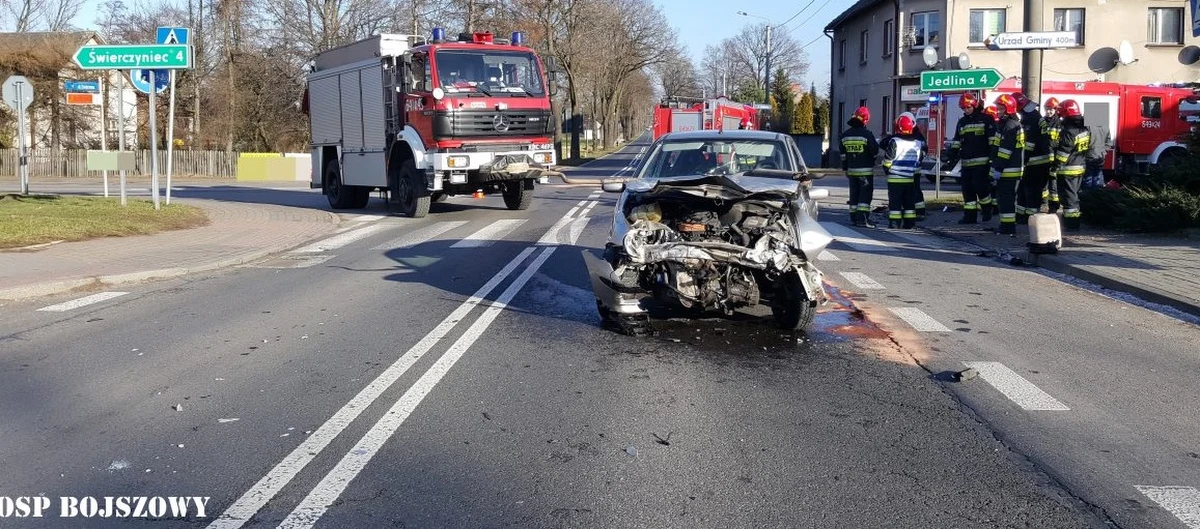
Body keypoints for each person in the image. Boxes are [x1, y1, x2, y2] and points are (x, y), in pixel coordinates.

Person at [944, 93, 995, 224]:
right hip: (966, 163)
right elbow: (957, 141)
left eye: (968, 107)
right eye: (964, 108)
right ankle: (970, 217)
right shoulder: (962, 122)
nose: (966, 110)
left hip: (982, 162)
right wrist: (950, 155)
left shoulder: (986, 119)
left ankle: (987, 210)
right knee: (967, 191)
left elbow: (992, 142)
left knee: (981, 188)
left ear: (974, 105)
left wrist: (992, 160)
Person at [881, 113, 925, 229]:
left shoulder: (894, 141)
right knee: (909, 203)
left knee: (895, 203)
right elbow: (919, 160)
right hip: (910, 178)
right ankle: (909, 224)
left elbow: (888, 160)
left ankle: (895, 223)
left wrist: (886, 170)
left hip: (895, 179)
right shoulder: (918, 143)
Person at [1052, 99, 1090, 231]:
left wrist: (1055, 165)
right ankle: (1072, 221)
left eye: (1061, 112)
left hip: (1068, 169)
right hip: (1079, 166)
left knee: (1069, 197)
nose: (1060, 115)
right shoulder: (1084, 127)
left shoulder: (1070, 130)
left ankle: (1071, 223)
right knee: (1073, 195)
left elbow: (1064, 151)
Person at [1013, 92, 1050, 225]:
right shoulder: (1031, 116)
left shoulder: (1031, 118)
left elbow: (1029, 143)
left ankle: (1031, 218)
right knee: (1023, 189)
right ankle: (1021, 215)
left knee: (1032, 191)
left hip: (1036, 162)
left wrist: (1023, 159)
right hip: (1035, 161)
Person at [840, 106, 881, 227]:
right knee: (865, 195)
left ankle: (853, 218)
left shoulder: (845, 135)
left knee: (854, 195)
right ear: (865, 119)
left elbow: (843, 155)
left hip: (851, 171)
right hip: (865, 172)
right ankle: (862, 219)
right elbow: (874, 151)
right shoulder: (867, 134)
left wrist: (845, 168)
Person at [990, 94, 1025, 235]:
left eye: (1000, 109)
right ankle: (1006, 225)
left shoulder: (1010, 125)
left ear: (1008, 109)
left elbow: (1005, 150)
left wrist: (998, 168)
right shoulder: (1008, 124)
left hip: (1009, 169)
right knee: (1005, 199)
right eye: (998, 109)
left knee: (1006, 199)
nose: (998, 111)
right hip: (1009, 168)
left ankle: (1008, 227)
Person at [1042, 98, 1063, 213]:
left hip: (1054, 158)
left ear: (1056, 110)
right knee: (1043, 183)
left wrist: (1049, 142)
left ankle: (1054, 206)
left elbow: (1061, 142)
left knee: (1053, 183)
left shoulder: (1060, 123)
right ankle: (1043, 203)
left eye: (1051, 109)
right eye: (1047, 109)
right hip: (1044, 157)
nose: (1048, 112)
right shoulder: (1043, 121)